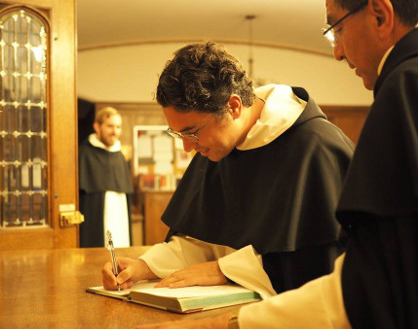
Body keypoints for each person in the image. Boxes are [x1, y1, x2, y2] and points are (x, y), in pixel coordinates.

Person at [135, 0, 418, 328]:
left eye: (336, 28)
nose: (337, 52)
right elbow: (202, 236)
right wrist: (145, 266)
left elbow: (348, 273)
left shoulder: (330, 139)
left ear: (380, 13)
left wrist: (226, 316)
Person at [101, 42, 355, 301]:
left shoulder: (316, 149)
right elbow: (203, 241)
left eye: (192, 133)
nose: (188, 147)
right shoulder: (215, 146)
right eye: (178, 134)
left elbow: (319, 262)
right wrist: (143, 266)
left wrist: (226, 270)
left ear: (233, 107)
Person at [79, 107, 133, 248]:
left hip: (120, 214)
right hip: (95, 216)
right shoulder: (84, 153)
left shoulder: (120, 156)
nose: (115, 132)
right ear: (97, 126)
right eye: (110, 126)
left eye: (118, 127)